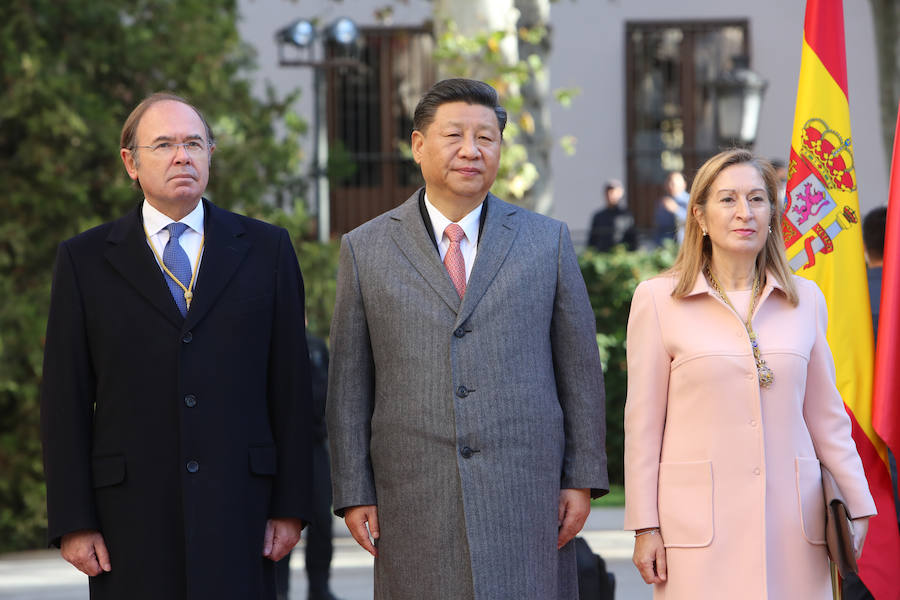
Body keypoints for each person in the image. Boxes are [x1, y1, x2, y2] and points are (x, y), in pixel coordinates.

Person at [326, 78, 608, 599]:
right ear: (418, 145)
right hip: (412, 494)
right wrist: (353, 490)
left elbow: (580, 370)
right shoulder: (366, 249)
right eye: (454, 135)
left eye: (487, 137)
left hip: (527, 492)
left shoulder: (547, 241)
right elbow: (349, 385)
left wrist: (582, 476)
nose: (471, 150)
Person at [40, 92, 315, 599]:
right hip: (129, 518)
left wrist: (290, 505)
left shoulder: (266, 248)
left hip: (243, 509)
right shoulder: (84, 261)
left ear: (211, 153)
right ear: (131, 162)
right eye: (163, 144)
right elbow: (65, 398)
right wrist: (74, 520)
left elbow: (292, 387)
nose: (181, 156)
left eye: (193, 143)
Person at [623, 149, 876, 599]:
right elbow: (643, 426)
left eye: (758, 199)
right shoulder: (658, 299)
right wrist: (645, 525)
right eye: (728, 200)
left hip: (794, 525)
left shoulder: (806, 298)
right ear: (699, 215)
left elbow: (826, 416)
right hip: (697, 529)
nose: (745, 213)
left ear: (773, 213)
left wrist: (858, 504)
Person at [275, 331, 340, 600]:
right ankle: (279, 591)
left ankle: (320, 588)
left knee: (322, 523)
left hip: (315, 447)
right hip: (281, 449)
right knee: (281, 521)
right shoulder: (274, 343)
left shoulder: (315, 347)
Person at [587, 179, 637, 251]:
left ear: (620, 193)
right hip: (602, 256)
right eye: (608, 192)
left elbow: (633, 241)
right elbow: (592, 241)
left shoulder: (627, 216)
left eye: (613, 192)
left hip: (621, 257)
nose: (610, 195)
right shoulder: (598, 216)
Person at [653, 170, 689, 244]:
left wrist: (677, 210)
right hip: (666, 243)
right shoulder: (663, 201)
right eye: (668, 182)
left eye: (673, 183)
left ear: (684, 185)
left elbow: (694, 221)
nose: (670, 185)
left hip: (684, 243)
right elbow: (660, 225)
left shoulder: (690, 201)